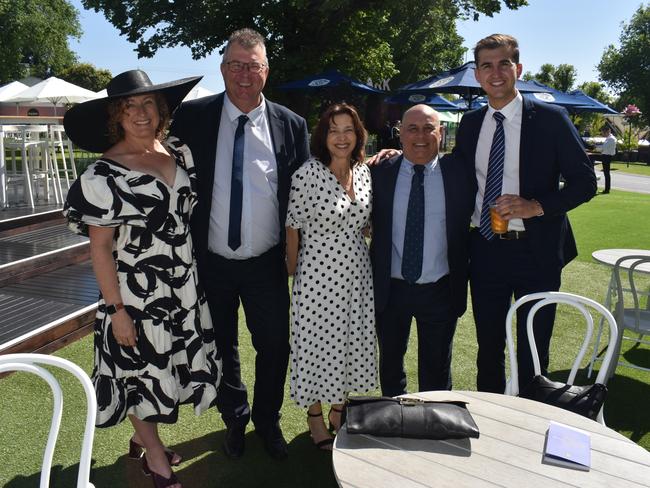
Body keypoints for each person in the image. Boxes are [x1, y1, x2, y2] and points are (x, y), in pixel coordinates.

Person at [63, 69, 221, 488]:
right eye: (129, 106)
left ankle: (142, 438)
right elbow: (99, 248)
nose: (140, 112)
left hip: (182, 285)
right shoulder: (103, 174)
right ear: (116, 115)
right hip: (133, 292)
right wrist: (116, 310)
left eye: (148, 103)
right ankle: (154, 455)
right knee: (136, 374)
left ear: (162, 110)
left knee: (166, 366)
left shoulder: (179, 152)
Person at [169, 28, 309, 460]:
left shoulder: (291, 125)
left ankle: (268, 422)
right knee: (221, 345)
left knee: (274, 346)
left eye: (253, 66)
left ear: (266, 70)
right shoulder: (192, 118)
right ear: (222, 68)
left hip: (267, 263)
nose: (244, 74)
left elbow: (305, 190)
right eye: (235, 65)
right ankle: (235, 417)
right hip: (211, 261)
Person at [452, 34, 596, 393]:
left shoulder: (551, 119)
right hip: (484, 249)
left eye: (503, 64)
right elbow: (456, 173)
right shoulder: (470, 124)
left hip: (537, 251)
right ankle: (488, 422)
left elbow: (584, 182)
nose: (495, 72)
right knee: (488, 348)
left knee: (534, 350)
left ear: (517, 69)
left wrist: (537, 206)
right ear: (477, 74)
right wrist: (396, 156)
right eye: (486, 65)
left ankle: (530, 427)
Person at [285, 103, 377, 450]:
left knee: (350, 340)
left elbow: (364, 220)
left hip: (356, 272)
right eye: (334, 130)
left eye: (348, 130)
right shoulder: (307, 173)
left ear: (358, 135)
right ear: (323, 136)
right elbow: (292, 227)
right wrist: (294, 271)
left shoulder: (364, 171)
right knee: (316, 343)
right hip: (317, 275)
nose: (341, 137)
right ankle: (314, 416)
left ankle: (339, 409)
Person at [370, 104, 472, 396]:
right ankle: (394, 421)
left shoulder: (460, 173)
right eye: (412, 128)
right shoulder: (379, 172)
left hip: (440, 288)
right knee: (390, 366)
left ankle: (434, 427)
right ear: (399, 133)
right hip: (391, 289)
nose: (421, 136)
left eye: (429, 128)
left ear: (441, 133)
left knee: (437, 371)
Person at [599, 126, 616, 194]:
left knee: (606, 173)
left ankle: (607, 189)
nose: (602, 134)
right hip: (605, 156)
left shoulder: (611, 139)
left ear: (607, 132)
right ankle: (607, 189)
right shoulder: (608, 138)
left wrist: (595, 147)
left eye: (603, 132)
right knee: (606, 173)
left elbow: (603, 148)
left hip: (607, 156)